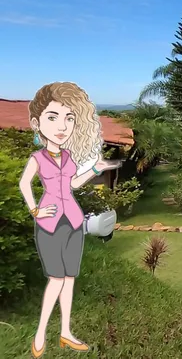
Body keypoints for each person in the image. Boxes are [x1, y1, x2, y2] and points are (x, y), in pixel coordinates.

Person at [18, 82, 122, 357]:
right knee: (56, 279)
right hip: (50, 224)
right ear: (37, 122)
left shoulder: (68, 156)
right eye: (53, 117)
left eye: (69, 118)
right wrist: (35, 210)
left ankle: (65, 332)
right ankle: (40, 333)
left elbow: (73, 185)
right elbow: (25, 184)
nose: (61, 126)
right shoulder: (37, 157)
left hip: (73, 222)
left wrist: (95, 169)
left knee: (69, 279)